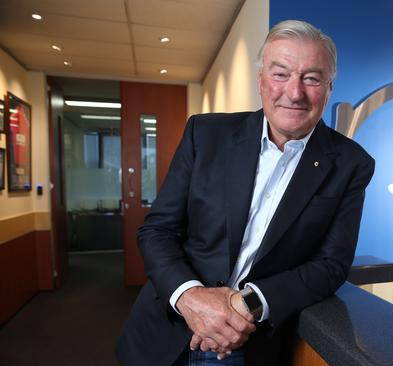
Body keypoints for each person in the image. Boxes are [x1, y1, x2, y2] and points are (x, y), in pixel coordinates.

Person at [116, 19, 375, 366]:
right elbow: (157, 230)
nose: (294, 92)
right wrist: (191, 297)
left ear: (329, 87)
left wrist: (245, 304)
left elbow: (331, 265)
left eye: (311, 78)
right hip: (167, 326)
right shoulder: (205, 134)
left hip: (247, 340)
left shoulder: (351, 164)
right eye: (281, 74)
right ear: (261, 80)